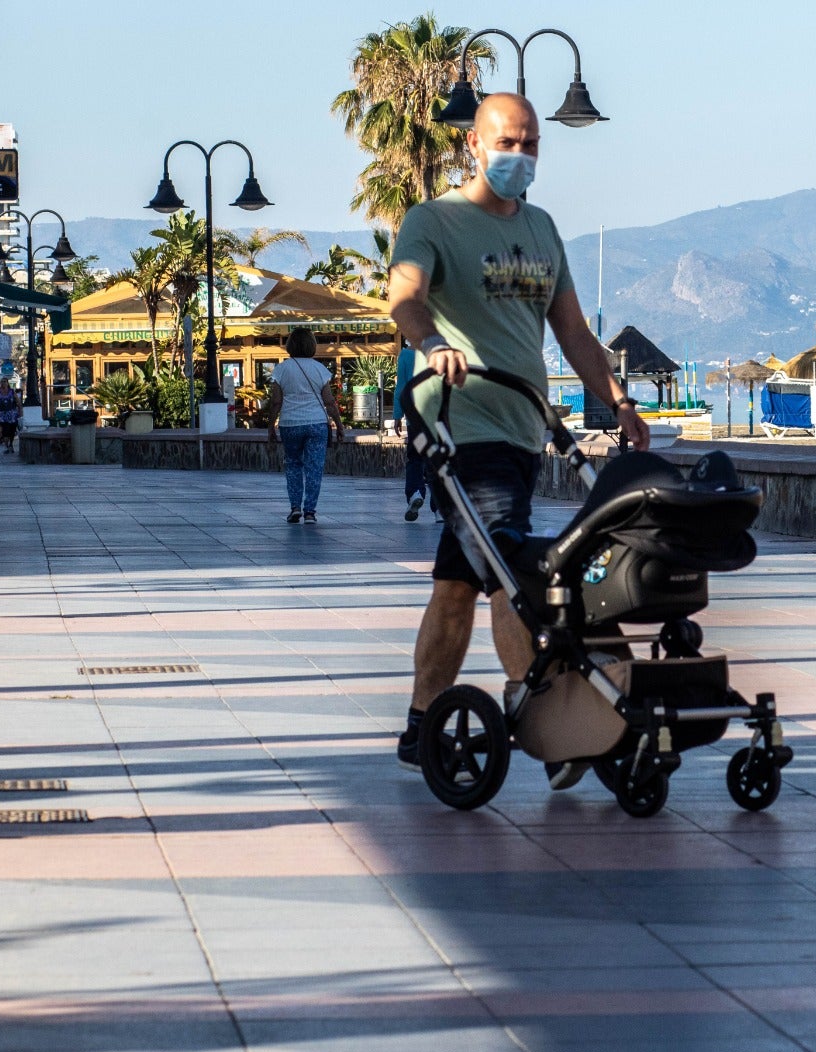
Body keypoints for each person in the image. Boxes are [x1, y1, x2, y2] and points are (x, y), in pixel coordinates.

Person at [387, 92, 649, 781]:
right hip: (457, 422)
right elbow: (404, 295)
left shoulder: (542, 230)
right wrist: (430, 338)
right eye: (506, 143)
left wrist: (617, 400)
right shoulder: (434, 220)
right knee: (511, 570)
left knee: (457, 586)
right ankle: (550, 720)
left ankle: (421, 726)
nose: (519, 156)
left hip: (523, 428)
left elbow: (574, 333)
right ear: (473, 144)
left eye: (530, 144)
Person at [263, 328, 344, 523]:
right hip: (316, 424)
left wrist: (271, 426)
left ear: (290, 345)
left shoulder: (281, 369)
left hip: (290, 424)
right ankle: (310, 512)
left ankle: (295, 508)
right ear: (311, 345)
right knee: (314, 467)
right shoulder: (319, 369)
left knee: (293, 464)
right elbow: (329, 402)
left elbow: (276, 402)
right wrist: (339, 426)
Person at [392, 338, 438, 522]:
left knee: (416, 458)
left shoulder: (405, 356)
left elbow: (401, 388)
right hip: (437, 419)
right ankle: (440, 508)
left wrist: (397, 414)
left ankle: (415, 493)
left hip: (415, 421)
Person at [0, 381, 20, 452]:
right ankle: (6, 446)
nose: (3, 383)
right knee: (5, 430)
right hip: (2, 415)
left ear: (7, 383)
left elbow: (18, 401)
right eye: (2, 382)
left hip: (12, 415)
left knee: (12, 430)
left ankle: (11, 444)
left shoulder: (12, 392)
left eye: (4, 382)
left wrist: (20, 411)